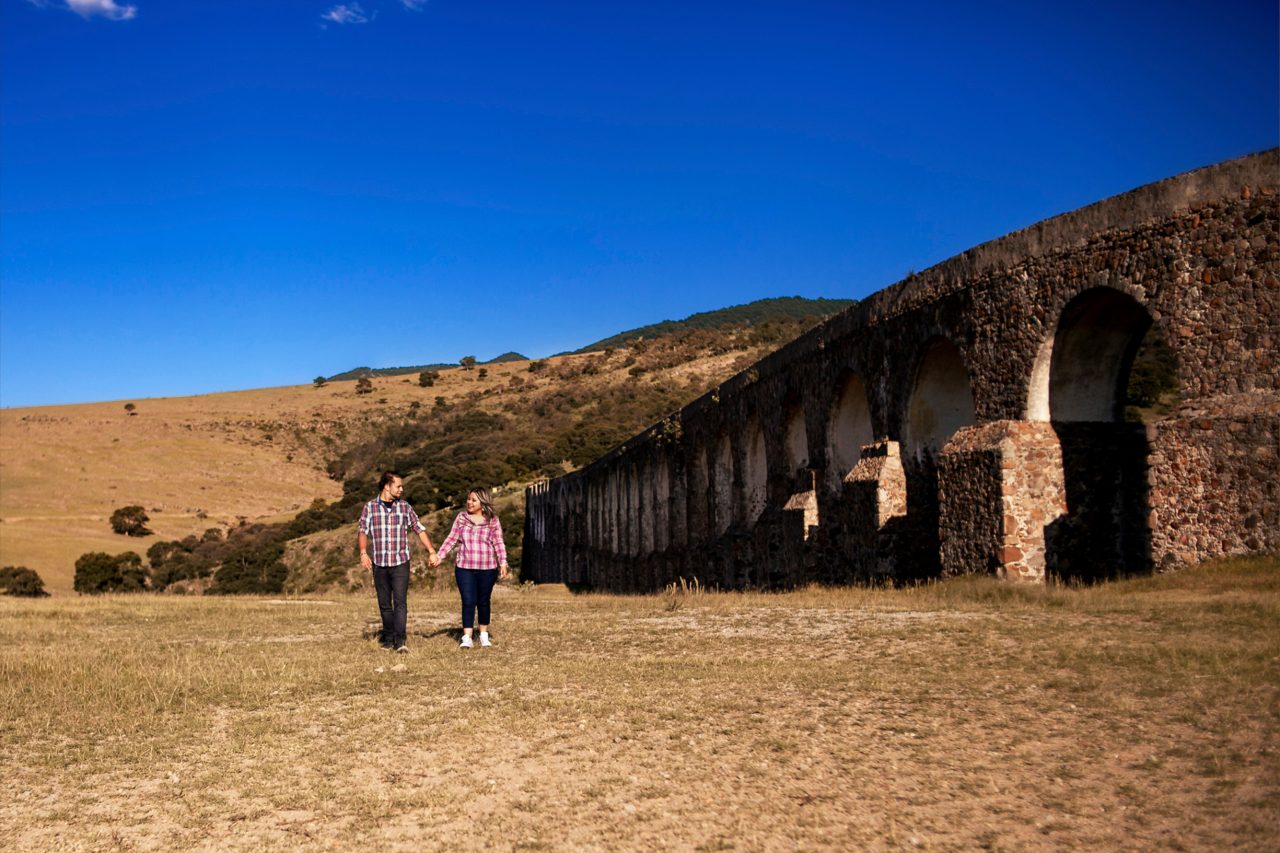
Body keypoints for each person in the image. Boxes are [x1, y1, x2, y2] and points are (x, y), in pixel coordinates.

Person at [358, 471, 436, 653]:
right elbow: (362, 530)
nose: (401, 489)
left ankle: (400, 642)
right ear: (387, 485)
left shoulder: (405, 507)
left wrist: (431, 551)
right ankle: (388, 638)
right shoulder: (369, 507)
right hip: (379, 562)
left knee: (400, 602)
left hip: (401, 561)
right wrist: (363, 553)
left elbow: (419, 529)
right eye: (398, 486)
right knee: (384, 603)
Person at [430, 487, 509, 648]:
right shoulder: (461, 518)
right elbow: (451, 539)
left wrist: (503, 562)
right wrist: (439, 556)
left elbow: (498, 542)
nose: (469, 502)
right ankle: (467, 637)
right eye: (468, 499)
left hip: (487, 568)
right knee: (468, 601)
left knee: (483, 601)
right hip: (464, 567)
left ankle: (484, 635)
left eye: (473, 500)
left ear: (483, 502)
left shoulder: (492, 520)